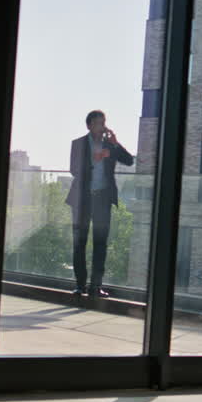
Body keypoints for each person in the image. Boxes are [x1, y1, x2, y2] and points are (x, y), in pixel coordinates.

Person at [66, 110, 134, 297]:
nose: (100, 127)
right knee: (79, 243)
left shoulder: (109, 145)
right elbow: (73, 169)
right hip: (82, 200)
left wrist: (115, 144)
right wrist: (93, 160)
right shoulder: (78, 144)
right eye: (97, 123)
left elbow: (129, 161)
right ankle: (80, 286)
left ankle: (96, 287)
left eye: (103, 123)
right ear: (88, 125)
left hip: (102, 200)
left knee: (100, 243)